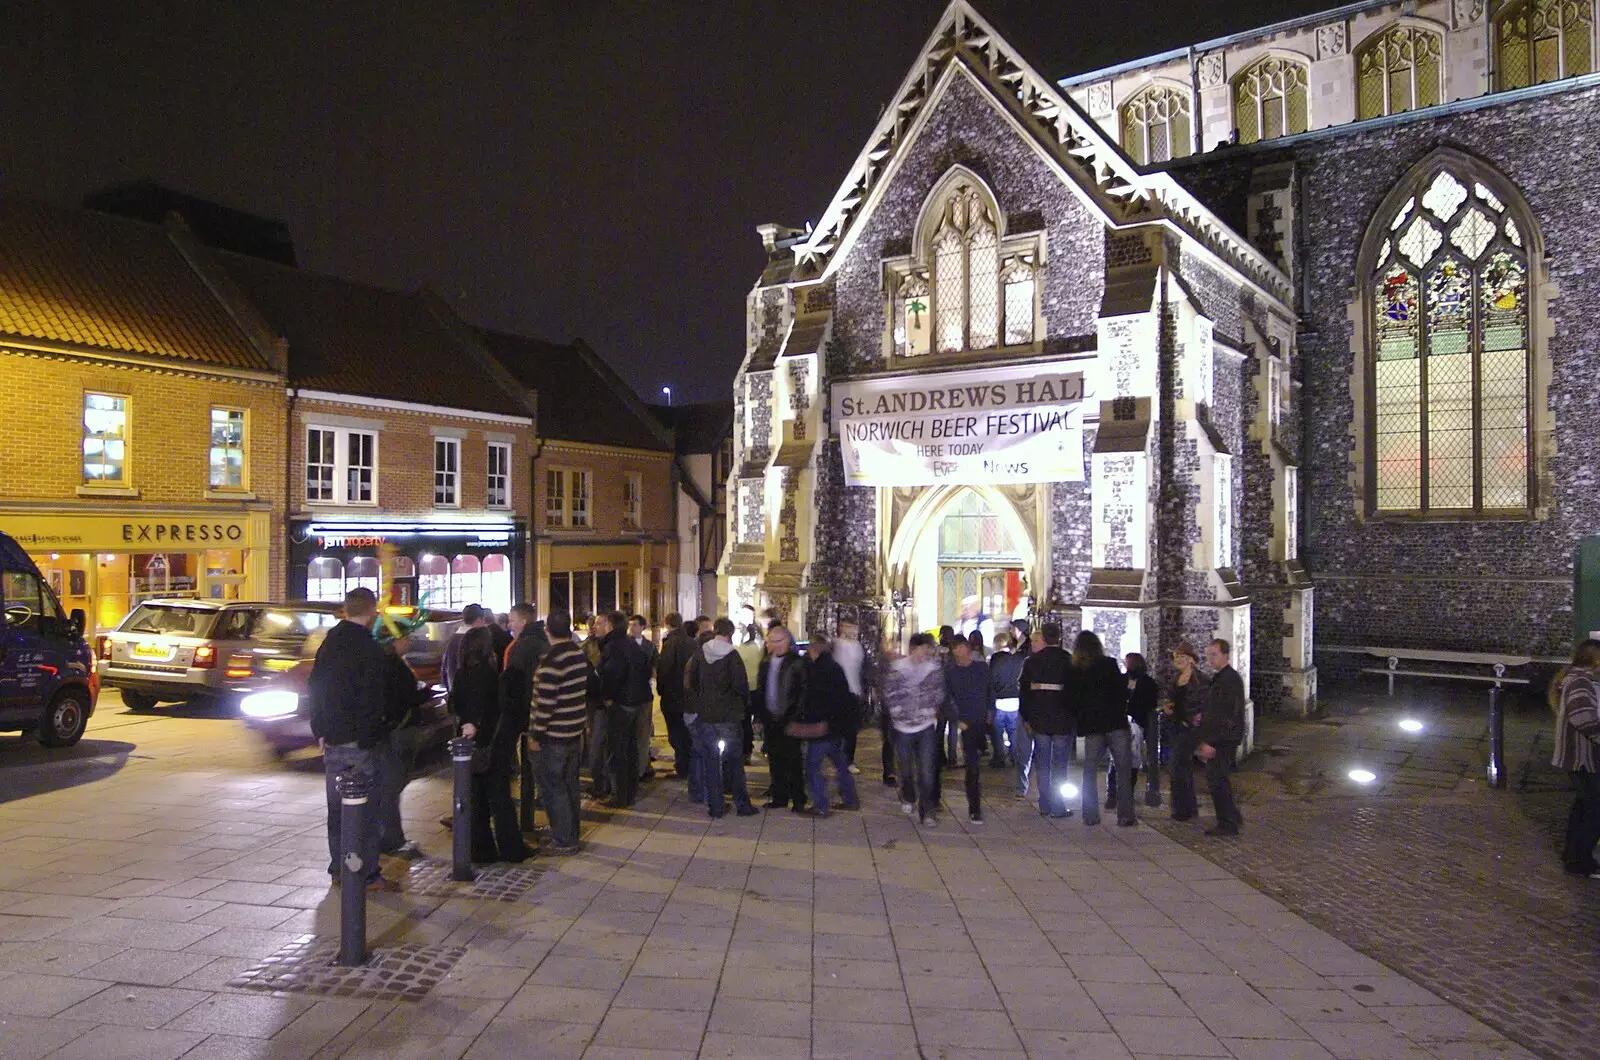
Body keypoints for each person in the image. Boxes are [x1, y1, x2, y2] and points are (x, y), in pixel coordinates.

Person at [307, 588, 397, 890]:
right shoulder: (368, 647)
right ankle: (366, 872)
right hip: (359, 741)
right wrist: (370, 734)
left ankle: (339, 868)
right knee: (365, 809)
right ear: (371, 611)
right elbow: (374, 698)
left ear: (345, 609)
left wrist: (318, 728)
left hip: (332, 737)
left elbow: (315, 686)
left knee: (337, 808)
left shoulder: (329, 642)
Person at [453, 625, 528, 862]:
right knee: (500, 797)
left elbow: (455, 704)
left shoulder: (461, 672)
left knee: (476, 799)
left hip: (469, 748)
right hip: (490, 744)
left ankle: (481, 850)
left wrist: (465, 723)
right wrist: (476, 724)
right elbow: (490, 707)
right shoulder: (486, 672)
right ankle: (511, 848)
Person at [686, 618, 759, 818]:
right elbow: (741, 686)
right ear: (731, 633)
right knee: (734, 762)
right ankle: (742, 805)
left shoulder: (701, 653)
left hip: (707, 716)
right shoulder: (732, 655)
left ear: (715, 630)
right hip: (729, 716)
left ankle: (716, 807)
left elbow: (691, 682)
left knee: (710, 761)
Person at [531, 611, 590, 854]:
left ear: (547, 631)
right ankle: (571, 832)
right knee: (569, 786)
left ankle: (564, 840)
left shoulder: (552, 661)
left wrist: (536, 735)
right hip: (574, 731)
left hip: (554, 736)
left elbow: (546, 704)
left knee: (552, 787)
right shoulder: (578, 653)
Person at [884, 632, 947, 826]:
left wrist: (929, 709)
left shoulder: (933, 669)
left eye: (928, 649)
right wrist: (898, 711)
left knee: (927, 771)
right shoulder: (898, 669)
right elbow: (889, 693)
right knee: (905, 769)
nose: (925, 653)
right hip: (902, 727)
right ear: (913, 649)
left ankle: (927, 812)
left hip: (926, 725)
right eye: (922, 648)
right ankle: (909, 795)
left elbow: (939, 692)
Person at [376, 630, 429, 857]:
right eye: (405, 638)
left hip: (395, 730)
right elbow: (407, 696)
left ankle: (387, 836)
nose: (409, 641)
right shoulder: (392, 666)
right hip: (398, 731)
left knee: (391, 786)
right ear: (394, 642)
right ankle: (391, 839)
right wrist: (425, 691)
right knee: (391, 786)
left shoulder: (390, 663)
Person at [1074, 631, 1135, 828]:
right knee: (1123, 770)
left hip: (1093, 726)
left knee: (1090, 771)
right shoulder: (1109, 664)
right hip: (1115, 723)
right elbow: (1121, 692)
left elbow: (1074, 700)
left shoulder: (1077, 670)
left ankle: (1090, 815)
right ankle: (1125, 815)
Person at [795, 633, 860, 817]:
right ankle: (850, 799)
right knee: (840, 763)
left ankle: (821, 806)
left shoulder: (818, 671)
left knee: (813, 767)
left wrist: (808, 724)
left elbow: (815, 701)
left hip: (821, 727)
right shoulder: (834, 667)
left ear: (813, 649)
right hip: (836, 727)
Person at [1553, 639, 1600, 877]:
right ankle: (1580, 861)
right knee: (1594, 809)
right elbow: (1584, 719)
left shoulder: (1574, 679)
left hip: (1576, 756)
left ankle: (1572, 854)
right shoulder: (1581, 682)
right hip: (1582, 756)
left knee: (1584, 805)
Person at [1020, 622, 1076, 819]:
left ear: (1043, 637)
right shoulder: (1068, 660)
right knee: (1060, 764)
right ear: (1059, 638)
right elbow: (1075, 692)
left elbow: (1024, 693)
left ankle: (1044, 804)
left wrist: (1026, 717)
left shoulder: (1032, 661)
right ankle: (1058, 806)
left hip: (1039, 719)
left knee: (1042, 763)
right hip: (1062, 719)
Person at [597, 610, 652, 809]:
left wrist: (608, 697)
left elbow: (611, 675)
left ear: (610, 626)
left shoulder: (614, 647)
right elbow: (646, 669)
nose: (598, 627)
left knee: (618, 750)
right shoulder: (632, 645)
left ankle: (620, 795)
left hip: (622, 704)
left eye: (603, 624)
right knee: (631, 748)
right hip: (637, 701)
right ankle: (630, 791)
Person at [1193, 638, 1247, 837]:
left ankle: (1227, 823)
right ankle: (1231, 815)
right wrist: (1203, 716)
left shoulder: (1229, 680)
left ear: (1226, 655)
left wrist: (1212, 742)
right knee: (1219, 778)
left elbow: (1228, 715)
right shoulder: (1221, 679)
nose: (1210, 659)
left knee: (1217, 780)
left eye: (1214, 654)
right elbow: (1216, 708)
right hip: (1222, 737)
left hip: (1223, 740)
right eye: (1208, 655)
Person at [755, 624, 809, 811]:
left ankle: (798, 799)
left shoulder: (797, 663)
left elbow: (802, 694)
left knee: (793, 760)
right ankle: (780, 797)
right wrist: (759, 718)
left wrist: (795, 718)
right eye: (772, 641)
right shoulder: (765, 663)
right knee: (775, 760)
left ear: (788, 641)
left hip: (790, 718)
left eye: (780, 641)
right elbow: (760, 691)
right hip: (771, 719)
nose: (776, 645)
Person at [945, 634, 991, 824]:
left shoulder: (981, 668)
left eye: (959, 647)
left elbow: (990, 690)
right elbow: (947, 698)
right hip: (966, 723)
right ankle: (975, 808)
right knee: (972, 766)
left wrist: (991, 711)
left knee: (978, 759)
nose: (957, 652)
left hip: (982, 720)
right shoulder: (951, 672)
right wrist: (957, 720)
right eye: (954, 648)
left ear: (967, 648)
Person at [1163, 641, 1209, 822]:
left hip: (1190, 729)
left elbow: (1202, 703)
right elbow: (1173, 700)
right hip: (1176, 727)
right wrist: (1168, 708)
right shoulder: (1176, 679)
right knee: (1180, 768)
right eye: (1176, 657)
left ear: (1191, 660)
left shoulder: (1201, 680)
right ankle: (1186, 807)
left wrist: (1194, 719)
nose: (1179, 660)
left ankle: (1183, 808)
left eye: (1182, 656)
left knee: (1178, 766)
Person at [1110, 652, 1158, 810]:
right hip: (1120, 723)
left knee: (1133, 758)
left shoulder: (1147, 682)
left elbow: (1149, 703)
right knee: (1115, 759)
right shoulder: (1121, 680)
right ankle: (1112, 793)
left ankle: (1127, 791)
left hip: (1137, 723)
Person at [656, 613, 696, 780]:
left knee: (676, 733)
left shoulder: (670, 643)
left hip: (673, 695)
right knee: (686, 732)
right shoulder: (692, 643)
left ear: (667, 624)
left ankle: (683, 767)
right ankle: (689, 766)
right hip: (688, 695)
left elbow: (664, 669)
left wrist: (661, 690)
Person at [831, 618, 868, 774]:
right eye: (849, 627)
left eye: (854, 627)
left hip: (854, 691)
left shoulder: (858, 646)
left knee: (851, 730)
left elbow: (862, 669)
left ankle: (848, 760)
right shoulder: (836, 644)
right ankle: (838, 758)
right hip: (838, 693)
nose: (853, 630)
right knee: (838, 729)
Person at [987, 629, 1024, 771]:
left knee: (997, 733)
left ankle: (999, 758)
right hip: (1015, 700)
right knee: (1013, 731)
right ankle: (1014, 757)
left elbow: (991, 682)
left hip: (999, 700)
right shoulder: (1020, 659)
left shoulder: (997, 659)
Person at [628, 614, 658, 781]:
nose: (631, 628)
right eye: (630, 625)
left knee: (643, 730)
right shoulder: (625, 644)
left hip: (644, 692)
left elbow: (654, 666)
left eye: (634, 625)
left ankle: (643, 765)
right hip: (631, 694)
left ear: (642, 627)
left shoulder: (649, 646)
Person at [440, 603, 488, 693]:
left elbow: (444, 670)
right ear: (479, 619)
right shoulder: (476, 640)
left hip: (454, 693)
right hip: (473, 696)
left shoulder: (452, 639)